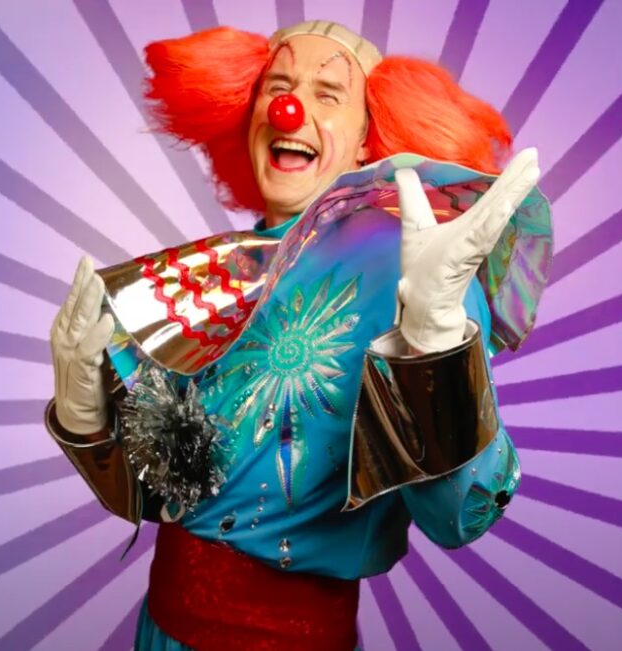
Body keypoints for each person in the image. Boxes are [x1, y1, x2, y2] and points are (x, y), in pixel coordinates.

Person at [45, 20, 551, 651]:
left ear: (368, 138)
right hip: (161, 630)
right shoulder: (207, 276)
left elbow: (463, 516)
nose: (290, 108)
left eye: (328, 93)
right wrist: (84, 417)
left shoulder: (408, 269)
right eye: (277, 87)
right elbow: (157, 493)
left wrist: (436, 343)